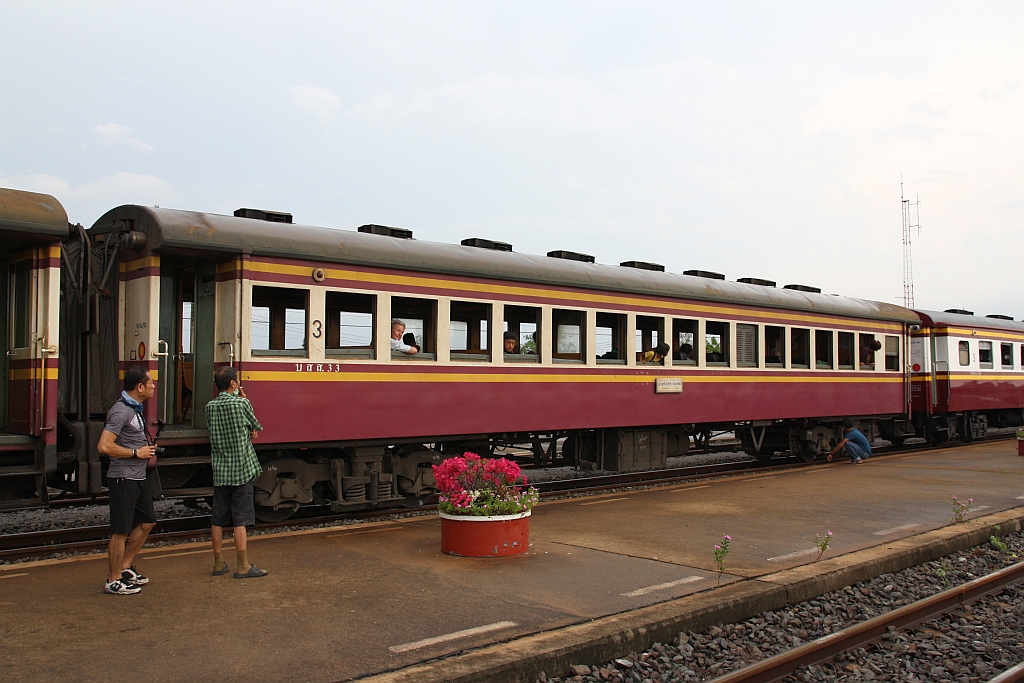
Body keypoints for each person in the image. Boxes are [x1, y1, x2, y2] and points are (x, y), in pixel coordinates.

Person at [96, 365, 158, 595]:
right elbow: (104, 446)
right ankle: (113, 580)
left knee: (148, 522)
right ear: (139, 387)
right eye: (150, 382)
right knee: (120, 530)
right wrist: (135, 453)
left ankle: (124, 567)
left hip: (138, 477)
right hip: (123, 478)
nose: (153, 386)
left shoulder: (134, 409)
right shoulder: (121, 411)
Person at [205, 366, 268, 579]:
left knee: (217, 520)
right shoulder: (242, 403)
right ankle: (242, 565)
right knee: (240, 519)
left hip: (220, 470)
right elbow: (256, 426)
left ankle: (218, 563)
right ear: (233, 383)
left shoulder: (210, 407)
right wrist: (245, 404)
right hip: (241, 470)